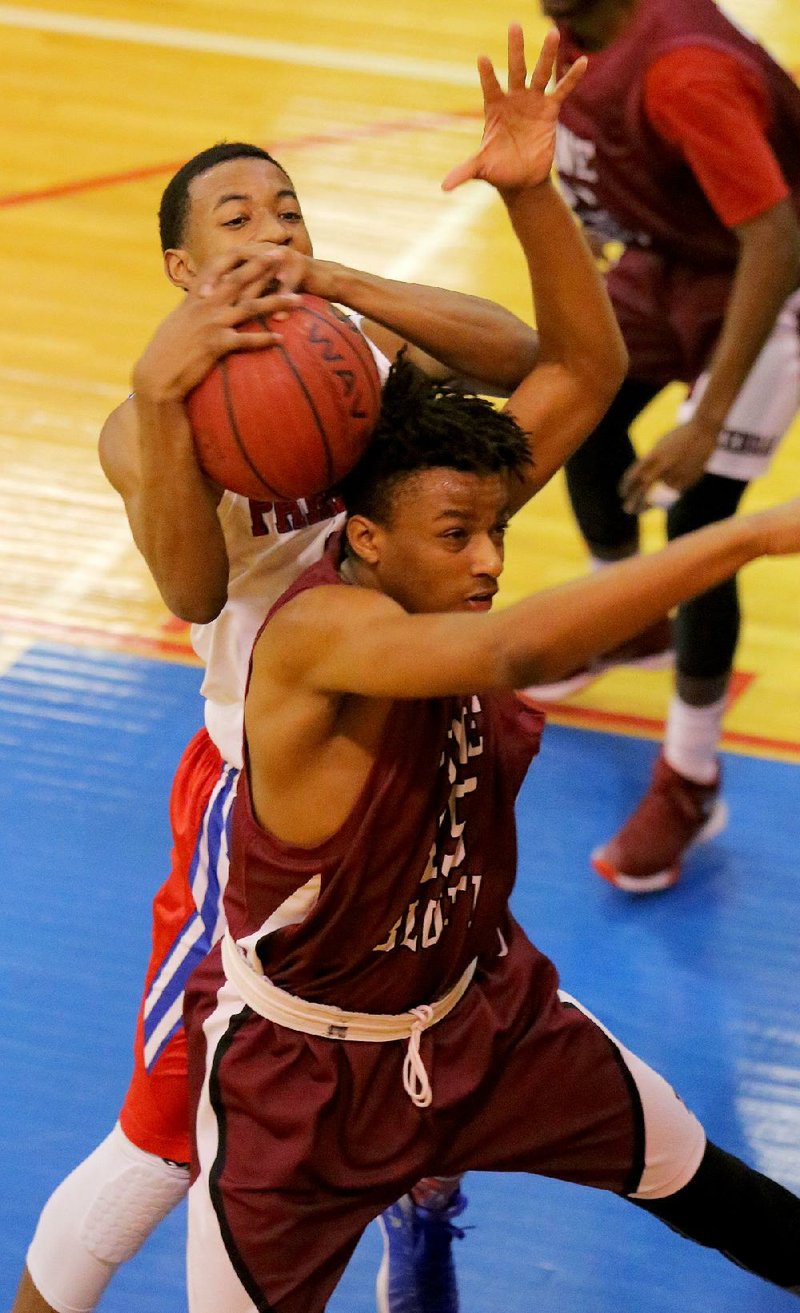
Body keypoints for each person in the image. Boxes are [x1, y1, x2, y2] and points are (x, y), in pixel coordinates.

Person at [183, 28, 800, 1313]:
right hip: (306, 1078)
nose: (484, 560)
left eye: (494, 528)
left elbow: (578, 368)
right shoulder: (315, 622)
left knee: (707, 1179)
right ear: (370, 539)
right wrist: (739, 534)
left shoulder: (408, 504)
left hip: (482, 1009)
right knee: (142, 1179)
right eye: (461, 538)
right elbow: (520, 644)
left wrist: (528, 195)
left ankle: (426, 1191)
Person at [12, 132, 564, 1313]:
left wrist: (345, 285)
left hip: (418, 730)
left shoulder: (359, 353)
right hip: (270, 791)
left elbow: (520, 356)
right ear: (178, 264)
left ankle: (417, 1200)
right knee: (167, 1128)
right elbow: (191, 589)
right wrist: (167, 394)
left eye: (288, 209)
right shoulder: (141, 423)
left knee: (438, 990)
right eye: (236, 215)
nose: (271, 229)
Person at [531, 0, 800, 891]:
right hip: (676, 256)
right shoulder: (578, 36)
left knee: (700, 526)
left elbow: (776, 236)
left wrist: (709, 416)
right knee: (583, 403)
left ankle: (690, 779)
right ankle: (629, 615)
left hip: (773, 273)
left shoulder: (683, 73)